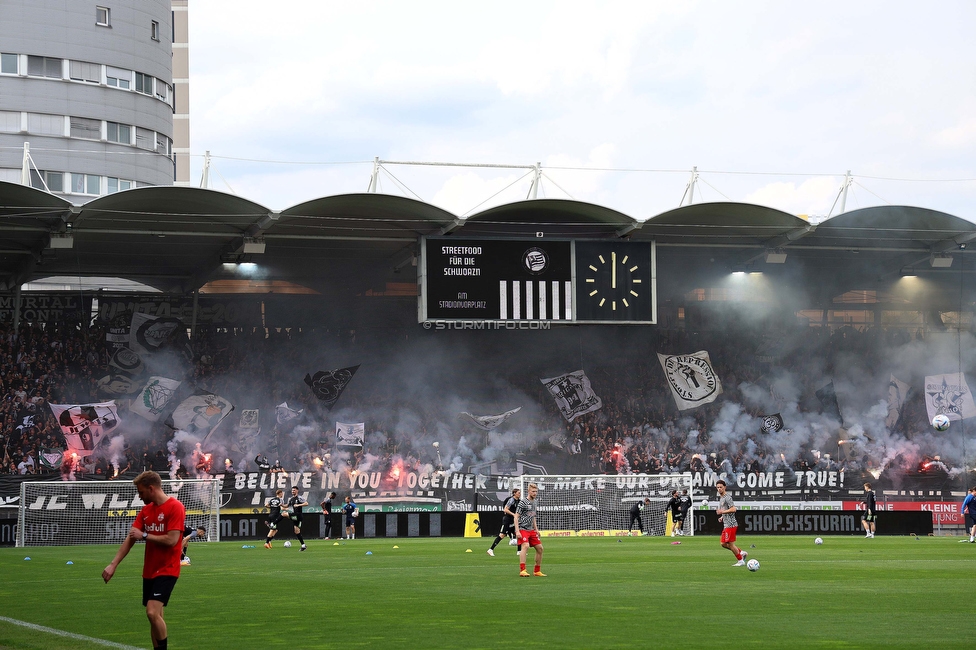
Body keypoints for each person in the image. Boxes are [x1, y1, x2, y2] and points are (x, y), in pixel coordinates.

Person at [102, 470, 185, 650]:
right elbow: (131, 538)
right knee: (156, 618)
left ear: (151, 488)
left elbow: (172, 540)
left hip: (168, 569)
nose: (139, 497)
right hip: (149, 570)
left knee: (151, 612)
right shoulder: (146, 510)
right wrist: (113, 564)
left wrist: (145, 535)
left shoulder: (175, 507)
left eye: (141, 492)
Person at [514, 482, 545, 577]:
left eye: (536, 491)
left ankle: (537, 571)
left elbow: (533, 516)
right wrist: (517, 531)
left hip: (531, 529)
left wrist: (536, 529)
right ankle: (522, 570)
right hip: (523, 528)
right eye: (533, 491)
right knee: (525, 546)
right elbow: (516, 517)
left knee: (540, 548)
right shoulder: (523, 502)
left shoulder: (535, 502)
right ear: (528, 491)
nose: (535, 493)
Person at [715, 479, 747, 567]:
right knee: (723, 544)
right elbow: (726, 510)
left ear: (724, 487)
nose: (719, 489)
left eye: (721, 487)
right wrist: (722, 517)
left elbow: (733, 509)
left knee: (730, 544)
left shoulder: (727, 497)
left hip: (731, 524)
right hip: (726, 524)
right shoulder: (721, 498)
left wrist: (722, 512)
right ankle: (741, 552)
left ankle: (740, 560)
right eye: (717, 487)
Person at [487, 487, 520, 556]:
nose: (519, 494)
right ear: (514, 493)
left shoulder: (518, 501)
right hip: (507, 520)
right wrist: (514, 514)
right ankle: (490, 549)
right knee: (502, 535)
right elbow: (505, 509)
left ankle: (519, 551)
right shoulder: (511, 500)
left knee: (519, 534)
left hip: (514, 520)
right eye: (518, 493)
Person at [286, 486, 309, 551]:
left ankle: (273, 523)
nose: (293, 491)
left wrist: (298, 505)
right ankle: (303, 545)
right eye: (292, 490)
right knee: (296, 531)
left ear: (297, 491)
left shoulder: (299, 498)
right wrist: (281, 505)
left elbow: (306, 503)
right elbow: (287, 506)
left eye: (294, 490)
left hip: (298, 515)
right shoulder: (291, 499)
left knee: (284, 514)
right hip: (295, 516)